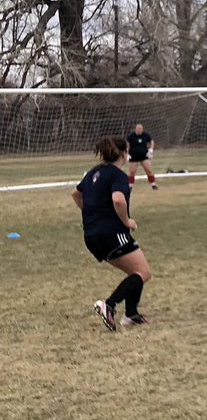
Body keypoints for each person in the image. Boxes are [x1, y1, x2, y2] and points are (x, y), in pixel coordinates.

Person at [73, 135, 152, 329]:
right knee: (143, 272)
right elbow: (118, 200)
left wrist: (91, 212)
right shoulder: (118, 175)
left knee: (134, 273)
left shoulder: (93, 172)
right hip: (111, 232)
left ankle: (131, 315)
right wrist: (127, 221)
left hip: (91, 235)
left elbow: (75, 193)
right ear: (124, 154)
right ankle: (108, 305)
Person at [126, 122, 157, 190]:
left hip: (144, 156)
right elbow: (127, 145)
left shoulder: (145, 135)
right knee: (132, 172)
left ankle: (153, 185)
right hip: (133, 156)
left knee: (149, 170)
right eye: (138, 129)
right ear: (135, 129)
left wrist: (151, 149)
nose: (139, 130)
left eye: (141, 129)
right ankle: (130, 186)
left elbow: (151, 141)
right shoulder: (131, 136)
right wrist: (127, 153)